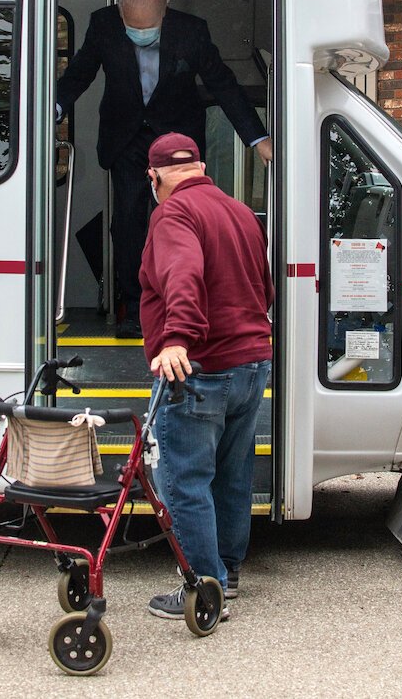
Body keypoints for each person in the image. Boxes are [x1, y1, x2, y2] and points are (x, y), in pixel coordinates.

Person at [56, 0, 271, 335]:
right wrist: (54, 108)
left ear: (166, 8)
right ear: (120, 14)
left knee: (185, 220)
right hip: (126, 137)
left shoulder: (192, 31)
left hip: (177, 138)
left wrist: (257, 138)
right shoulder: (103, 25)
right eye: (132, 28)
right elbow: (79, 73)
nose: (139, 35)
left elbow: (223, 84)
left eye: (148, 29)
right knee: (127, 220)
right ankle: (137, 308)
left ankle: (186, 304)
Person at [137, 133, 273, 620]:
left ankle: (203, 588)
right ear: (198, 165)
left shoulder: (173, 214)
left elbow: (183, 273)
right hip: (251, 363)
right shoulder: (239, 212)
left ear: (155, 176)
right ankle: (227, 573)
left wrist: (177, 337)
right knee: (233, 475)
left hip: (200, 368)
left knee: (185, 479)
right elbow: (265, 286)